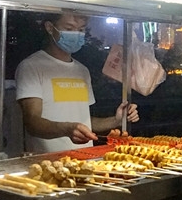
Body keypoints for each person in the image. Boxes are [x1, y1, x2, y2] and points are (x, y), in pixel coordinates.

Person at [15, 12, 139, 154]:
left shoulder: (82, 71)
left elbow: (85, 122)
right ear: (49, 27)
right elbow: (32, 122)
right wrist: (67, 129)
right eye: (69, 28)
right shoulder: (31, 66)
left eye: (81, 29)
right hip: (48, 161)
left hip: (85, 158)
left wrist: (116, 120)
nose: (76, 34)